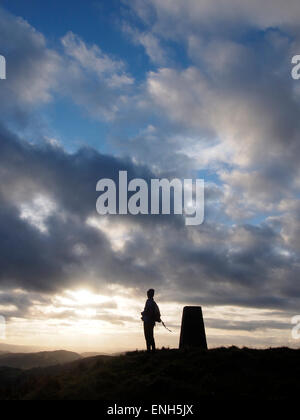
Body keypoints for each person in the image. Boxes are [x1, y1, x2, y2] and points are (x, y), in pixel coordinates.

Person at [141, 289, 161, 353]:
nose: (147, 295)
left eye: (148, 294)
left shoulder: (149, 302)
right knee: (151, 336)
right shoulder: (153, 302)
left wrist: (143, 313)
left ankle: (149, 350)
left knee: (147, 336)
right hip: (151, 322)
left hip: (147, 321)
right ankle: (153, 350)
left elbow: (148, 311)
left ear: (149, 294)